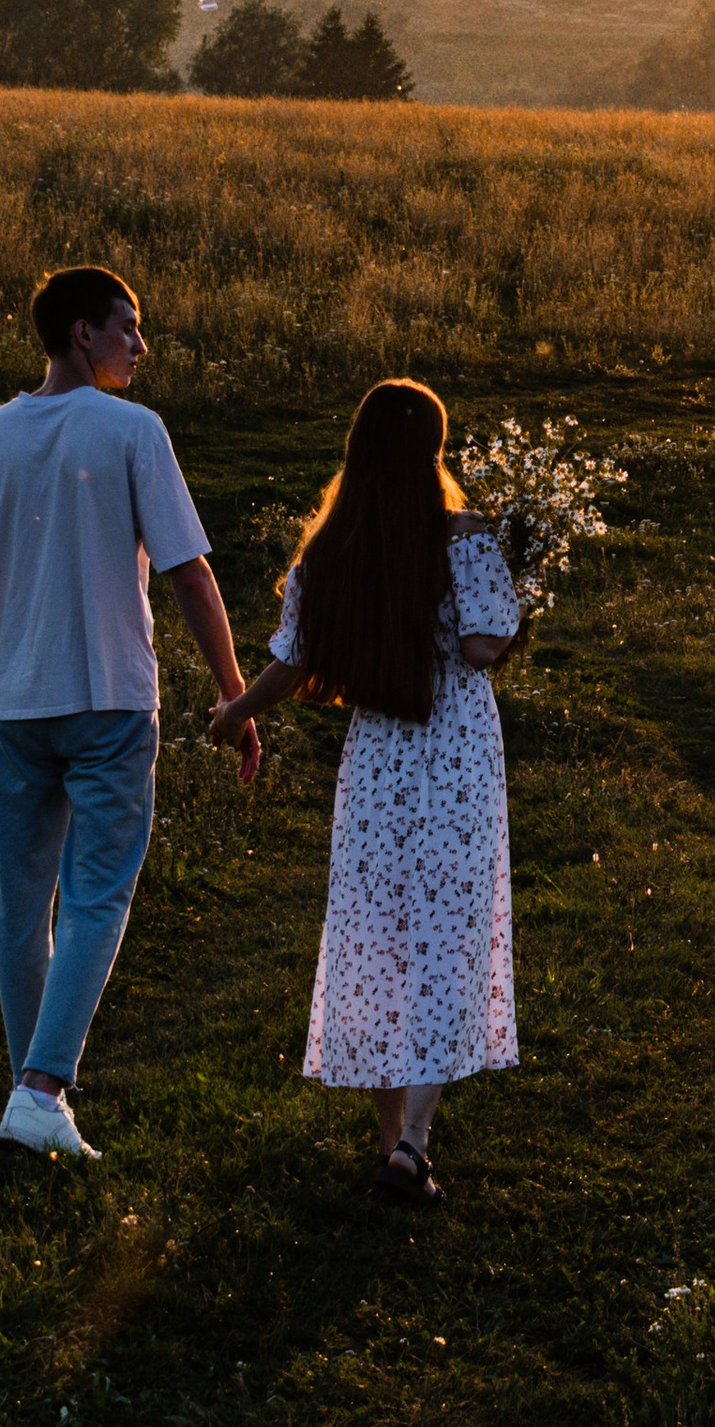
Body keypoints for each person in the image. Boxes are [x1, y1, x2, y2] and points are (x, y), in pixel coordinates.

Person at [0, 264, 258, 1160]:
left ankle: (33, 1099)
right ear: (83, 332)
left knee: (19, 907)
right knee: (98, 896)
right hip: (112, 697)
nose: (140, 345)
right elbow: (190, 574)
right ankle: (41, 1088)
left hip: (18, 706)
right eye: (129, 326)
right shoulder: (132, 432)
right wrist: (234, 690)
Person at [207, 375, 521, 1204]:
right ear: (434, 452)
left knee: (382, 936)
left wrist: (236, 710)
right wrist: (506, 576)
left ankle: (394, 1143)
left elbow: (298, 661)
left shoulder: (329, 550)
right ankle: (412, 1143)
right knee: (449, 935)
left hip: (379, 762)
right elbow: (486, 647)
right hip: (454, 755)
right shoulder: (463, 538)